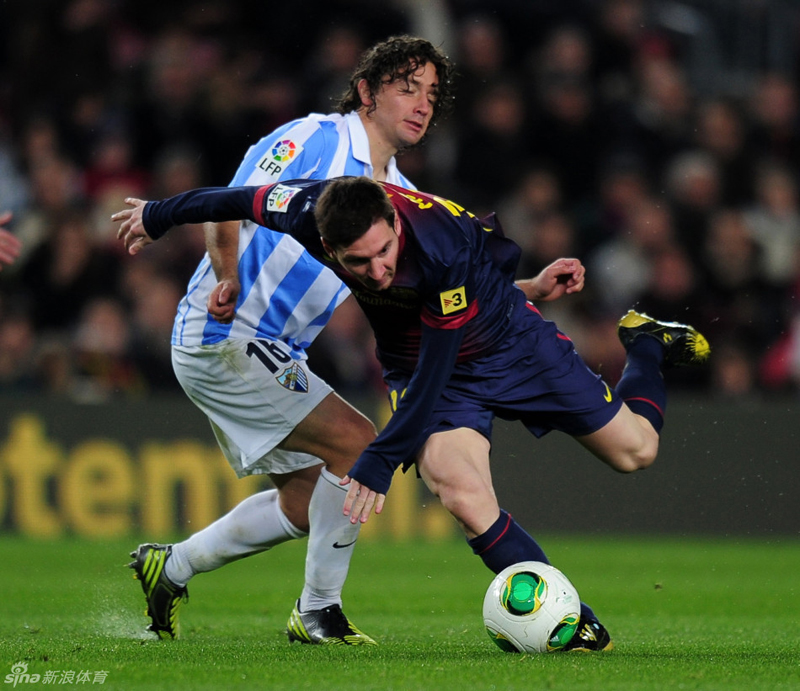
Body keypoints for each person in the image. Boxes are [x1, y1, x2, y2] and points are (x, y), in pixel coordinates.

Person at [114, 176, 710, 652]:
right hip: (419, 356)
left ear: (395, 222)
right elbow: (232, 197)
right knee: (461, 492)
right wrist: (157, 215)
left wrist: (381, 458)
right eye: (358, 263)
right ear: (326, 243)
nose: (377, 271)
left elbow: (437, 370)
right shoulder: (305, 208)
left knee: (637, 452)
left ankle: (648, 343)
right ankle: (568, 623)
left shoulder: (440, 241)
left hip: (510, 345)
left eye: (384, 252)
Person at [121, 36, 463, 645]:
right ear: (366, 91)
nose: (421, 105)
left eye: (431, 95)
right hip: (225, 331)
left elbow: (431, 283)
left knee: (308, 502)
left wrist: (527, 287)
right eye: (406, 88)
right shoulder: (315, 140)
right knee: (359, 446)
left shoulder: (401, 199)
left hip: (277, 350)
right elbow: (231, 204)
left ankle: (169, 566)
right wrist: (227, 272)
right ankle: (317, 612)